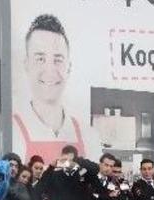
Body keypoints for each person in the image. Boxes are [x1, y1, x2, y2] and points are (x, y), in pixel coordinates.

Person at [12, 14, 100, 161]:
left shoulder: (88, 135)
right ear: (26, 64)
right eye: (40, 58)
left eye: (57, 59)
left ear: (69, 67)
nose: (50, 70)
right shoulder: (13, 129)